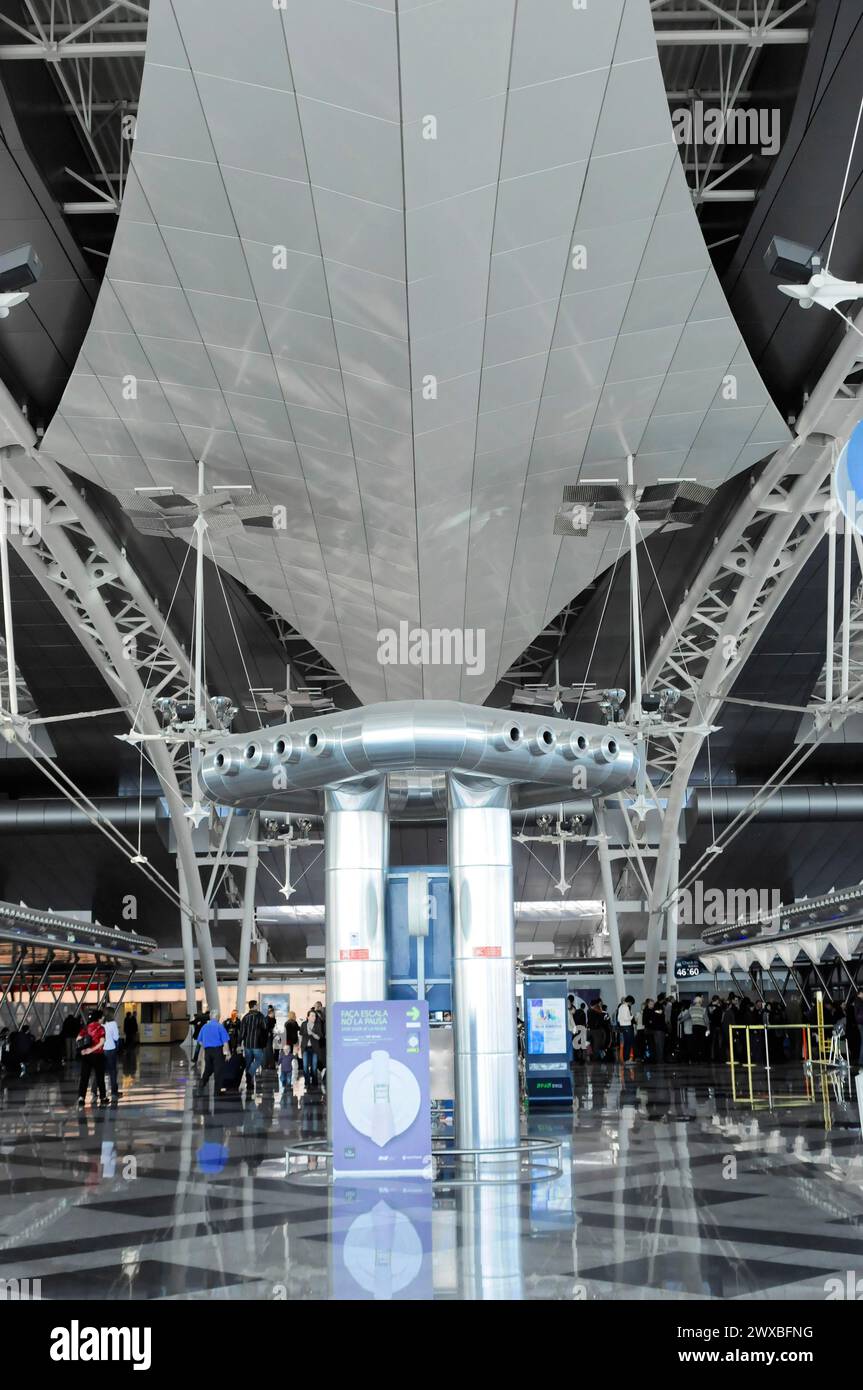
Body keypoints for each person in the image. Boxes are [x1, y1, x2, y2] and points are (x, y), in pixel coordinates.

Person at [77, 1009, 107, 1107]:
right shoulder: (101, 1028)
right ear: (98, 1018)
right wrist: (92, 1049)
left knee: (84, 1077)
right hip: (98, 1055)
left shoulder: (86, 1027)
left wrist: (82, 1050)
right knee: (99, 1077)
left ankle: (81, 1098)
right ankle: (103, 1097)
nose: (103, 1018)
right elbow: (102, 1042)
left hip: (86, 1056)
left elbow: (78, 1039)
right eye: (102, 1017)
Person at [238, 1000, 268, 1095]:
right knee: (259, 1059)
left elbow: (242, 1032)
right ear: (254, 1006)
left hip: (247, 1044)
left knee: (248, 1062)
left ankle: (249, 1083)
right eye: (257, 1005)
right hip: (257, 1044)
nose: (258, 1006)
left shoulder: (245, 1017)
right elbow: (265, 1027)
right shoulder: (260, 1016)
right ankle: (250, 1072)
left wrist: (239, 1043)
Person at [197, 1010, 229, 1093]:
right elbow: (225, 1042)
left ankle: (202, 1082)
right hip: (217, 1050)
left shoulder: (204, 1026)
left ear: (210, 1017)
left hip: (207, 1051)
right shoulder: (220, 1026)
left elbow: (199, 1041)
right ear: (218, 1017)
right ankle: (218, 1089)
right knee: (218, 1070)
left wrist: (205, 1046)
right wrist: (228, 1052)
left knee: (208, 1068)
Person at [300, 1007, 323, 1088]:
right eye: (312, 1016)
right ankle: (307, 1082)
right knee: (305, 1066)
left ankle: (314, 1082)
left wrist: (312, 1033)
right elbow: (301, 1036)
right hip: (305, 1048)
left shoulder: (317, 1025)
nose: (314, 1017)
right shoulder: (303, 1024)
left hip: (314, 1049)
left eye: (315, 1016)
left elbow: (319, 1037)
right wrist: (299, 1048)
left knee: (314, 1066)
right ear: (308, 1017)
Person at [101, 1007, 120, 1102]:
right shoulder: (113, 1023)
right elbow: (116, 1037)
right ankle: (114, 1092)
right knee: (112, 1071)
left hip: (101, 1048)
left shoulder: (101, 1023)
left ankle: (94, 1091)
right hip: (110, 1049)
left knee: (100, 1071)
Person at [643, 997, 666, 1064]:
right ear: (648, 1004)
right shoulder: (648, 1011)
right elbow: (647, 1022)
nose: (652, 1005)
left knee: (657, 1046)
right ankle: (658, 1060)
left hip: (654, 1030)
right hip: (653, 1031)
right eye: (651, 1004)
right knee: (657, 1046)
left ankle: (657, 1059)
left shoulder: (652, 1010)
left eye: (653, 1004)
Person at [616, 996, 636, 1062]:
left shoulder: (621, 1007)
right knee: (628, 1043)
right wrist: (632, 1016)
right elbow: (626, 1018)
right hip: (627, 1026)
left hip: (622, 1026)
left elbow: (618, 1018)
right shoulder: (626, 1007)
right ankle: (627, 1059)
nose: (631, 1004)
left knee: (626, 1043)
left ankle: (625, 1059)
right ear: (630, 1002)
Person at [708, 995, 724, 1063]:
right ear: (717, 1000)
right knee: (719, 1043)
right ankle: (719, 1057)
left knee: (712, 1042)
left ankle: (712, 1057)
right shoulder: (719, 1008)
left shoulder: (709, 1007)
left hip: (712, 1026)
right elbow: (721, 1018)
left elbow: (709, 1016)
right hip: (718, 1026)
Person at [264, 1005, 278, 1069]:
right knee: (268, 1050)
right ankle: (269, 1065)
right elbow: (265, 1028)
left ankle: (268, 1064)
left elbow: (273, 1027)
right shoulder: (267, 1019)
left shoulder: (272, 1019)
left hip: (270, 1036)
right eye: (273, 1013)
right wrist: (270, 1032)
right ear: (271, 1013)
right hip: (267, 1037)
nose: (274, 1014)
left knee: (269, 1050)